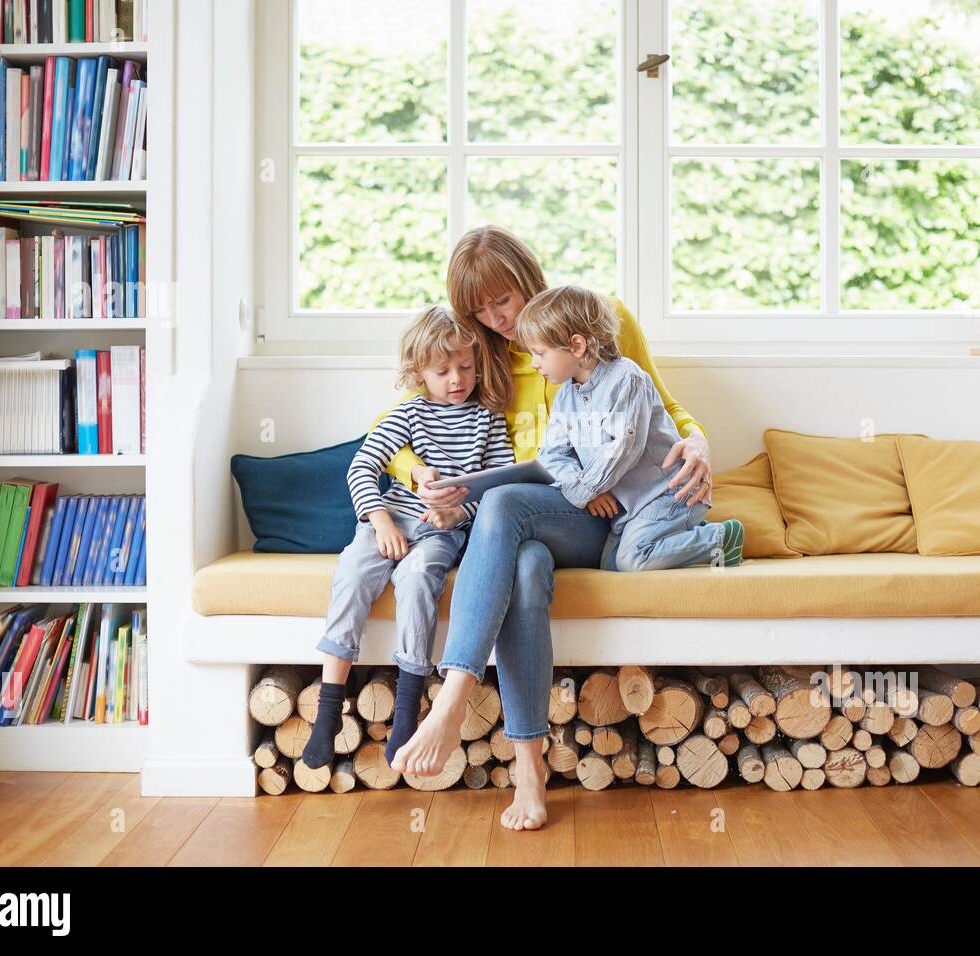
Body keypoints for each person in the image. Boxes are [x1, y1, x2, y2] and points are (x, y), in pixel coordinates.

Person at [378, 226, 713, 831]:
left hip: (600, 516)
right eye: (477, 310)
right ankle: (528, 771)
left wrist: (700, 444)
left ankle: (453, 697)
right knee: (526, 560)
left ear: (529, 281)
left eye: (501, 302)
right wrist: (420, 472)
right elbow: (395, 422)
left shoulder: (597, 320)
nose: (496, 320)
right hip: (526, 525)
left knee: (507, 505)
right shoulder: (478, 353)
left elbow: (664, 403)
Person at [300, 306, 513, 772]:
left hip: (442, 531)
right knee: (353, 575)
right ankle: (329, 708)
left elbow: (500, 489)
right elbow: (362, 467)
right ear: (418, 373)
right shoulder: (408, 414)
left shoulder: (488, 420)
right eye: (443, 371)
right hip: (391, 518)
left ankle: (405, 713)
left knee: (418, 581)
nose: (456, 379)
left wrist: (460, 511)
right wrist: (379, 521)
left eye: (466, 367)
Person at [519, 284, 744, 572]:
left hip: (667, 493)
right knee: (611, 563)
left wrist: (584, 490)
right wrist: (581, 487)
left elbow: (623, 448)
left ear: (576, 346)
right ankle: (679, 533)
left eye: (539, 353)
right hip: (632, 505)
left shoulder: (627, 379)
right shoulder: (567, 396)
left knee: (631, 559)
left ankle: (721, 539)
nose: (534, 363)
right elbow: (551, 454)